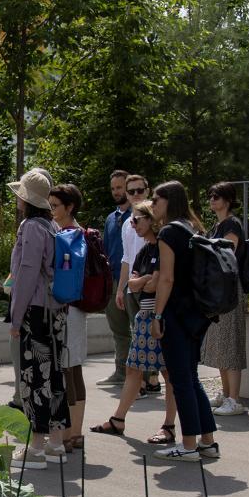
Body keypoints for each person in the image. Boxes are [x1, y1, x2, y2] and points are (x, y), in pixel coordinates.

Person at [89, 203, 177, 445]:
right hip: (144, 317)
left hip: (160, 316)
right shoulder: (144, 251)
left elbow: (155, 283)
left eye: (137, 219)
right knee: (133, 368)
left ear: (152, 219)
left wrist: (144, 281)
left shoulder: (163, 247)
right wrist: (144, 281)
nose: (133, 224)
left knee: (169, 373)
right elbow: (135, 283)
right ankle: (118, 420)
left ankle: (169, 426)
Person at [148, 180, 219, 462]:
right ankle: (207, 442)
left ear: (169, 201)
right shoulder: (193, 228)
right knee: (191, 378)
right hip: (197, 313)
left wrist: (157, 315)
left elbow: (166, 278)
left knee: (180, 380)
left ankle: (188, 445)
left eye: (156, 199)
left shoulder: (168, 232)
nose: (152, 205)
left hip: (175, 314)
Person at [6, 169, 69, 470]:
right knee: (54, 374)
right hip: (55, 311)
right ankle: (56, 442)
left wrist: (15, 319)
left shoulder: (31, 227)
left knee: (35, 377)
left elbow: (26, 275)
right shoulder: (52, 225)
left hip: (36, 312)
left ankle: (37, 448)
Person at [103, 169, 156, 394]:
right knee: (136, 332)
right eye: (131, 191)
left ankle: (149, 380)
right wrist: (121, 288)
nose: (135, 194)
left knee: (148, 333)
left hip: (150, 284)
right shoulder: (126, 223)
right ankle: (141, 381)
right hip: (131, 284)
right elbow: (126, 258)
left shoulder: (155, 218)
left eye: (139, 190)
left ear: (148, 191)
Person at [50, 183, 93, 450]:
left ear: (70, 207)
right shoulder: (82, 234)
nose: (51, 210)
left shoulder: (68, 235)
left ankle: (69, 434)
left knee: (68, 370)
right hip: (78, 308)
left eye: (55, 206)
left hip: (68, 309)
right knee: (74, 370)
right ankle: (75, 432)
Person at [201, 181, 249, 416]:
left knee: (230, 342)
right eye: (210, 195)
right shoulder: (217, 225)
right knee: (220, 343)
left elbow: (226, 252)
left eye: (217, 196)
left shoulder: (232, 223)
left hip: (228, 288)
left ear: (228, 199)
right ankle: (226, 393)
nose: (212, 200)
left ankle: (235, 399)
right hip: (217, 289)